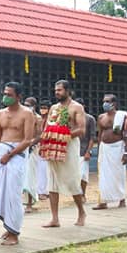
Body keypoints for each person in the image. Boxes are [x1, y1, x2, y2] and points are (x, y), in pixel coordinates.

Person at [0, 82, 35, 244]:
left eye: (9, 94)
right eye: (5, 93)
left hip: (16, 155)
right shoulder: (0, 113)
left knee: (13, 194)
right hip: (0, 155)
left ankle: (14, 233)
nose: (5, 97)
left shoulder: (27, 113)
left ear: (18, 96)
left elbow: (27, 140)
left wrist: (9, 155)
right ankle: (8, 227)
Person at [40, 80, 87, 228]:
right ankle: (55, 218)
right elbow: (48, 126)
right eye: (55, 90)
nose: (57, 93)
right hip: (53, 146)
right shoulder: (53, 108)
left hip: (69, 145)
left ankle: (81, 212)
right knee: (52, 182)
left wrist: (64, 136)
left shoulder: (77, 107)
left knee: (72, 180)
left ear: (68, 91)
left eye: (59, 90)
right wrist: (49, 138)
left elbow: (81, 129)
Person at [94, 94, 127, 210]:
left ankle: (122, 199)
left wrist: (126, 152)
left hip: (118, 148)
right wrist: (99, 148)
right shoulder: (101, 117)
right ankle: (103, 201)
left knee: (118, 174)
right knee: (103, 175)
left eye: (107, 101)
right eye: (104, 101)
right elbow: (99, 134)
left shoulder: (122, 116)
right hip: (105, 149)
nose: (105, 103)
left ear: (114, 103)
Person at [20, 97, 41, 212]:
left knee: (30, 176)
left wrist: (30, 143)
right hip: (21, 147)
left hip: (32, 149)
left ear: (34, 106)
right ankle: (21, 202)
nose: (26, 106)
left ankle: (29, 203)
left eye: (29, 105)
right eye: (25, 104)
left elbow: (39, 135)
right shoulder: (22, 116)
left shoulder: (38, 118)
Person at [78, 100, 97, 200]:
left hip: (84, 150)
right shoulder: (72, 118)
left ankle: (83, 194)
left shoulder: (90, 119)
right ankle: (77, 194)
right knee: (74, 175)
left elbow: (92, 137)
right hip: (73, 150)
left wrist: (88, 151)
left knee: (83, 175)